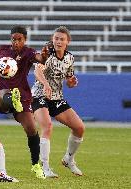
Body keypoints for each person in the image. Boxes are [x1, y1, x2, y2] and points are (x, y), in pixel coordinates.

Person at [0, 26, 48, 179]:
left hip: (23, 97)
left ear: (25, 40)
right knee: (2, 95)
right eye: (13, 39)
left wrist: (45, 56)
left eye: (19, 39)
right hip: (1, 93)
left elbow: (40, 58)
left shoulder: (28, 52)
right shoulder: (3, 50)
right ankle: (11, 99)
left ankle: (36, 165)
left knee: (32, 129)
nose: (16, 42)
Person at [31, 26, 85, 178]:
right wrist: (46, 84)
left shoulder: (69, 58)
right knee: (47, 126)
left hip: (56, 98)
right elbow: (37, 71)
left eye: (62, 39)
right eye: (56, 38)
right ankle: (45, 168)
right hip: (39, 96)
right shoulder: (47, 53)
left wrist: (72, 82)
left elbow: (69, 80)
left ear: (68, 42)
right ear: (52, 39)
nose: (58, 41)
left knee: (79, 128)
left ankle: (69, 159)